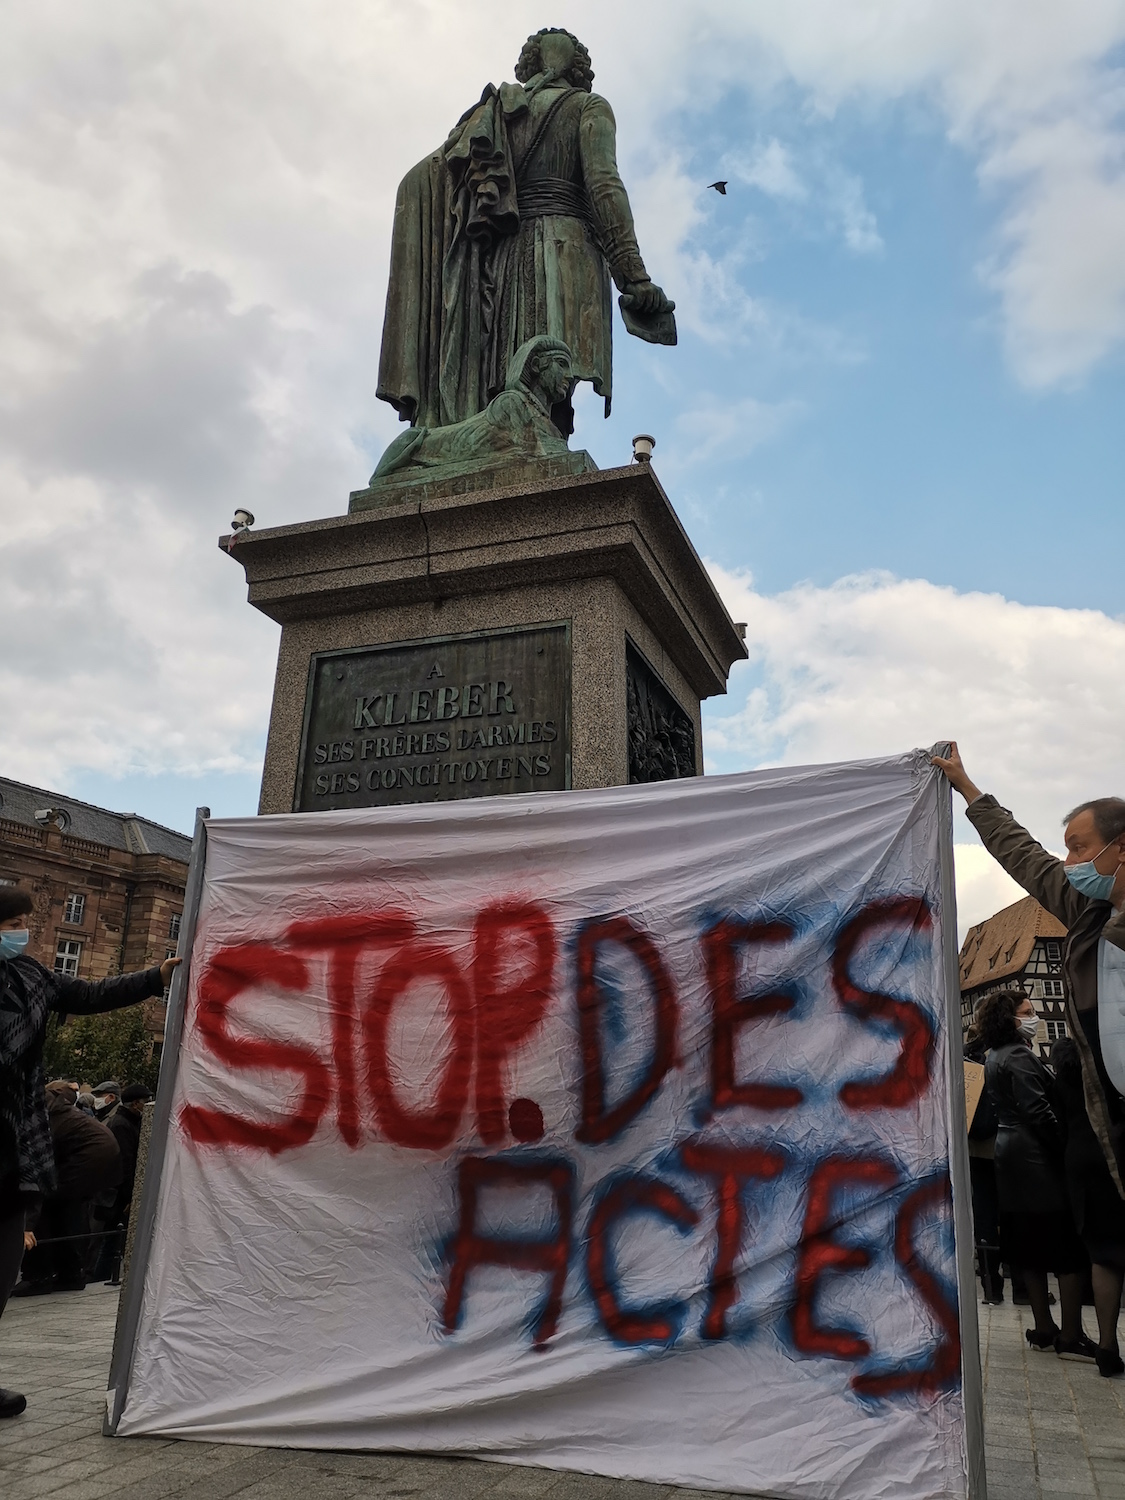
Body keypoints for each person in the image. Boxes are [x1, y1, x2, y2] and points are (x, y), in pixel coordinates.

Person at [377, 28, 675, 436]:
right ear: (580, 69)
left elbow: (430, 177)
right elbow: (605, 186)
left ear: (529, 64)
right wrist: (633, 275)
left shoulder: (497, 115)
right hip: (566, 253)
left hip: (507, 261)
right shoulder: (589, 106)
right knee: (555, 384)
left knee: (514, 386)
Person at [0, 885, 179, 1420]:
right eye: (15, 922)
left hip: (14, 1144)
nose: (23, 933)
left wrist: (156, 977)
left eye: (24, 923)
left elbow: (89, 994)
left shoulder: (30, 976)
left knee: (3, 1268)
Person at [933, 746, 1125, 1197]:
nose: (1069, 862)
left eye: (1079, 848)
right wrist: (968, 790)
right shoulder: (1087, 913)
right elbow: (1025, 856)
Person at [977, 986, 1096, 1360]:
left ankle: (1045, 1327)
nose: (1034, 1016)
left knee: (1026, 1245)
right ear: (1010, 1020)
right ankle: (1071, 1334)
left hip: (1008, 1156)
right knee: (1066, 1248)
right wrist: (1064, 1145)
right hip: (1036, 1160)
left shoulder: (994, 1055)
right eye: (1027, 1011)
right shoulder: (1020, 1058)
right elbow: (1039, 1112)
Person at [1051, 1036, 1125, 1375]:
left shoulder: (1065, 1064)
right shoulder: (1111, 1059)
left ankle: (1107, 1344)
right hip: (1114, 1152)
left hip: (1078, 1158)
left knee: (1103, 1253)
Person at [13, 1082, 121, 1296]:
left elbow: (35, 1176)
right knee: (66, 1210)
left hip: (88, 1158)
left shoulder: (40, 1118)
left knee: (45, 1205)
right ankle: (70, 1274)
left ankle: (38, 1276)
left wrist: (27, 1226)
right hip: (100, 1157)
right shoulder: (50, 1106)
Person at [965, 1006, 1005, 1303]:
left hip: (975, 1148)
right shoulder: (999, 1058)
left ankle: (992, 1286)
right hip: (1000, 1145)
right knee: (1008, 1214)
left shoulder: (966, 1059)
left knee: (984, 1215)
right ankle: (1018, 1287)